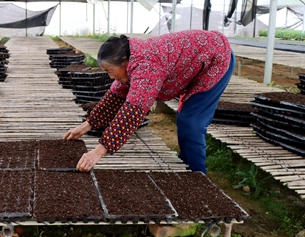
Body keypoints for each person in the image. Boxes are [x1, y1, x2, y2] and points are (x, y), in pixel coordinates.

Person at [64, 30, 235, 174]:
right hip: (199, 57)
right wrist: (87, 125)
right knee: (186, 119)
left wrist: (98, 151)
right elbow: (115, 97)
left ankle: (198, 177)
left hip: (216, 58)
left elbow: (131, 113)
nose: (110, 77)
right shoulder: (132, 60)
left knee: (191, 122)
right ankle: (188, 162)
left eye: (110, 71)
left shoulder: (146, 67)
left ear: (125, 61)